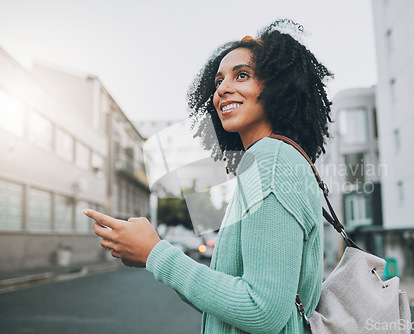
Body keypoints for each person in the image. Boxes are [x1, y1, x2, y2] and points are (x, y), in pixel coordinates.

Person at [84, 19, 333, 334]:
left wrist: (155, 252)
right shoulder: (270, 161)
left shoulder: (271, 160)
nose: (223, 88)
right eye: (218, 80)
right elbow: (229, 299)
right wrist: (153, 256)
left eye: (242, 75)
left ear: (279, 86)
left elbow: (263, 310)